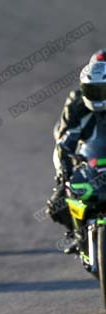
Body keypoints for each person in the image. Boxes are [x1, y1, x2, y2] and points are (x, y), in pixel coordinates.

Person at [47, 49, 106, 245]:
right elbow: (64, 140)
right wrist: (64, 172)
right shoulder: (76, 105)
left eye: (101, 90)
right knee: (57, 203)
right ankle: (77, 234)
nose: (97, 95)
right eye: (92, 90)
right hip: (88, 160)